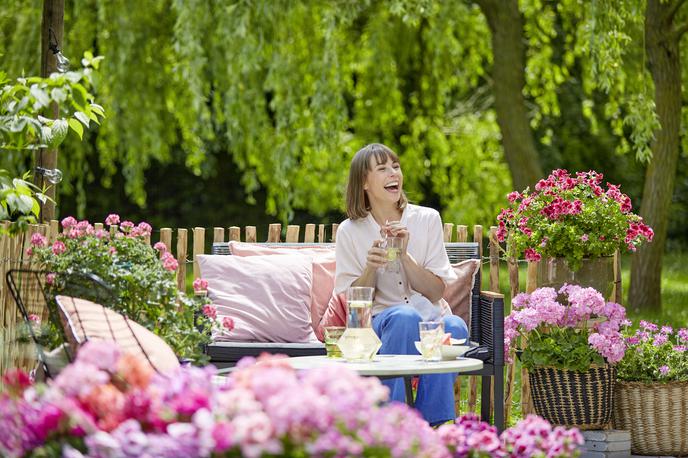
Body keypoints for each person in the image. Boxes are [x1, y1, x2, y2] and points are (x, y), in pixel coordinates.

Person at [334, 143, 468, 426]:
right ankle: (391, 422)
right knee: (404, 317)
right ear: (364, 182)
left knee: (456, 327)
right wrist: (371, 266)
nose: (393, 173)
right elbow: (355, 304)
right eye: (382, 169)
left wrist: (405, 256)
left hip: (429, 319)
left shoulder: (427, 219)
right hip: (382, 323)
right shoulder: (350, 231)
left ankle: (431, 424)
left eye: (395, 166)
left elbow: (436, 292)